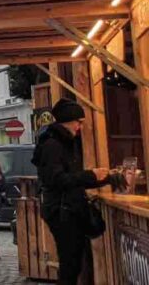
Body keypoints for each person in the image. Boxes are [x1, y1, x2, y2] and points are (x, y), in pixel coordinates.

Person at [33, 99, 114, 285]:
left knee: (74, 263)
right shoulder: (53, 145)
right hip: (62, 211)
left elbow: (74, 179)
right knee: (70, 264)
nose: (81, 126)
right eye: (79, 121)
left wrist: (105, 178)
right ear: (68, 120)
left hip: (68, 209)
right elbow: (59, 180)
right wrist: (91, 175)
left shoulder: (65, 142)